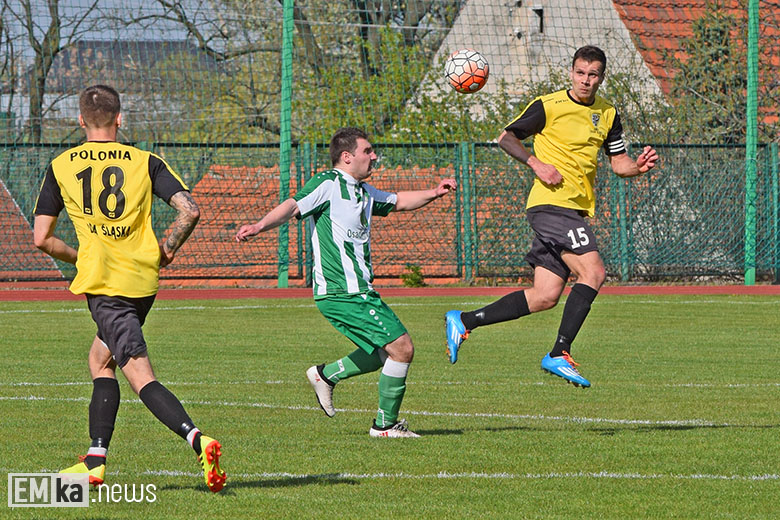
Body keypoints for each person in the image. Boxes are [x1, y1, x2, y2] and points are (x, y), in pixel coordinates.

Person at [33, 84, 226, 492]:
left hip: (106, 284)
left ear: (80, 121)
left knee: (140, 375)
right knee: (101, 359)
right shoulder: (146, 161)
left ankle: (198, 439)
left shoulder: (61, 165)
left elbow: (41, 239)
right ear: (120, 119)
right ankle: (95, 460)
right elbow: (190, 210)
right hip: (142, 280)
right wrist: (168, 247)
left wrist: (78, 257)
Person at [445, 45, 659, 387]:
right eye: (580, 73)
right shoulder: (549, 105)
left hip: (573, 209)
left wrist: (637, 167)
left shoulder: (608, 114)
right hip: (549, 205)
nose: (585, 80)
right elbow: (505, 137)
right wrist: (536, 163)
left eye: (592, 75)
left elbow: (618, 163)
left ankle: (465, 320)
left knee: (545, 295)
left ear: (601, 78)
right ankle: (560, 352)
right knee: (594, 271)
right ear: (571, 73)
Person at [236, 127, 456, 437]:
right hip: (343, 291)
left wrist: (435, 193)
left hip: (358, 290)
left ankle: (325, 375)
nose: (374, 156)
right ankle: (385, 425)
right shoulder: (328, 182)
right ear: (347, 156)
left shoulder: (363, 192)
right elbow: (293, 205)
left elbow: (399, 201)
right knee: (402, 348)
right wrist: (260, 225)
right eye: (368, 151)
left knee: (383, 353)